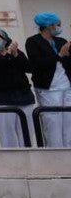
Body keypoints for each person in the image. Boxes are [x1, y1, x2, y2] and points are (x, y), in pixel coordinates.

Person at [26, 12, 71, 148]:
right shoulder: (33, 42)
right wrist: (59, 55)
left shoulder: (61, 41)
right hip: (49, 88)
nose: (59, 27)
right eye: (58, 24)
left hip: (66, 86)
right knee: (52, 123)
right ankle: (55, 154)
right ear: (48, 26)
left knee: (68, 122)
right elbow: (37, 64)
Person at [0, 28, 34, 148]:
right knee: (7, 135)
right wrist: (7, 56)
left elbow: (28, 68)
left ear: (5, 40)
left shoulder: (16, 52)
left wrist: (16, 55)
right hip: (1, 100)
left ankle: (28, 160)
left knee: (26, 135)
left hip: (24, 97)